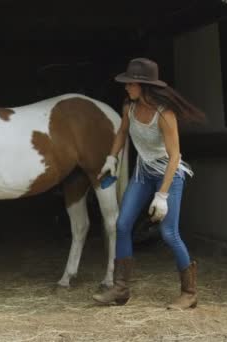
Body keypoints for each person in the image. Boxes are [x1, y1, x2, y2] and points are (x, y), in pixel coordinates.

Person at [93, 58, 204, 309]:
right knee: (122, 224)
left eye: (130, 83)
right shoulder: (129, 107)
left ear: (143, 86)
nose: (126, 87)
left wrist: (162, 195)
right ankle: (120, 289)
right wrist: (112, 158)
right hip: (143, 172)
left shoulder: (164, 114)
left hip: (169, 174)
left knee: (168, 233)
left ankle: (189, 292)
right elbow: (122, 132)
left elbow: (175, 156)